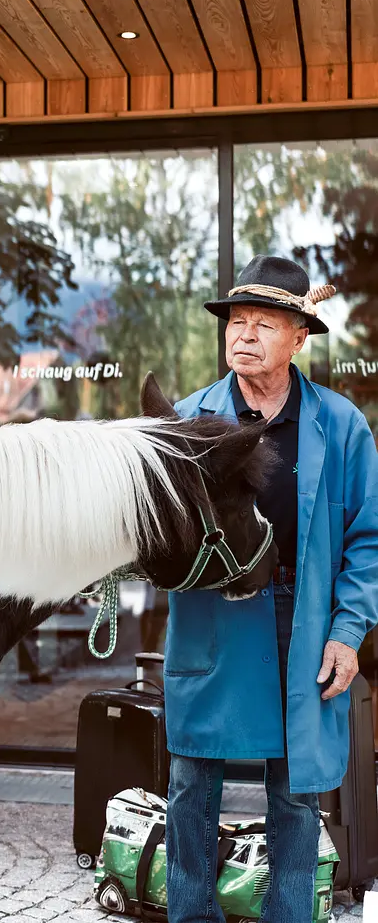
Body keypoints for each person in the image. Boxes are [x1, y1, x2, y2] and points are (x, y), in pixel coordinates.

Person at [163, 255, 378, 923]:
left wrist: (348, 633)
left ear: (299, 339)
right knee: (191, 785)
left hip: (303, 621)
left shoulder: (341, 427)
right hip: (212, 624)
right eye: (236, 321)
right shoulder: (184, 421)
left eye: (264, 323)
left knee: (294, 795)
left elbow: (369, 541)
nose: (244, 335)